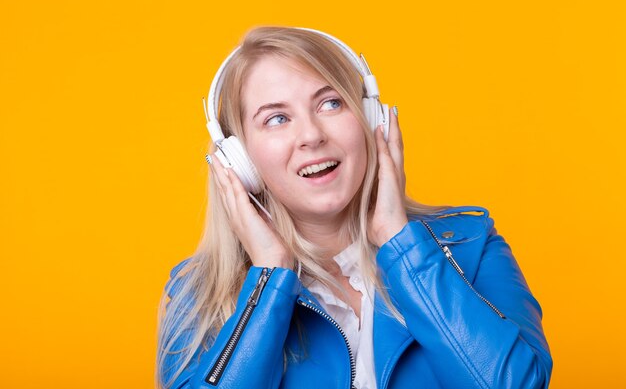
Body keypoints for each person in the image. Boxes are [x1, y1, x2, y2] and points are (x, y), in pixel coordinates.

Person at [156, 26, 552, 389]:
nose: (311, 135)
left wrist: (402, 246)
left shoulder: (471, 246)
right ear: (237, 159)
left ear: (369, 118)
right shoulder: (200, 294)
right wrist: (269, 280)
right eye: (277, 119)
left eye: (330, 103)